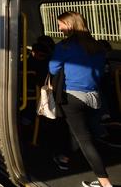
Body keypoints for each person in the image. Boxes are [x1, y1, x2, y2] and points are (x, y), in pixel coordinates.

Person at [48, 11, 114, 187]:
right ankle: (67, 157)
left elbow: (53, 69)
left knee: (84, 139)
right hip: (94, 97)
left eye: (60, 24)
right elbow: (101, 71)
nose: (59, 28)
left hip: (73, 97)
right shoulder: (97, 46)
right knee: (84, 134)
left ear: (69, 25)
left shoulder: (64, 47)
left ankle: (104, 183)